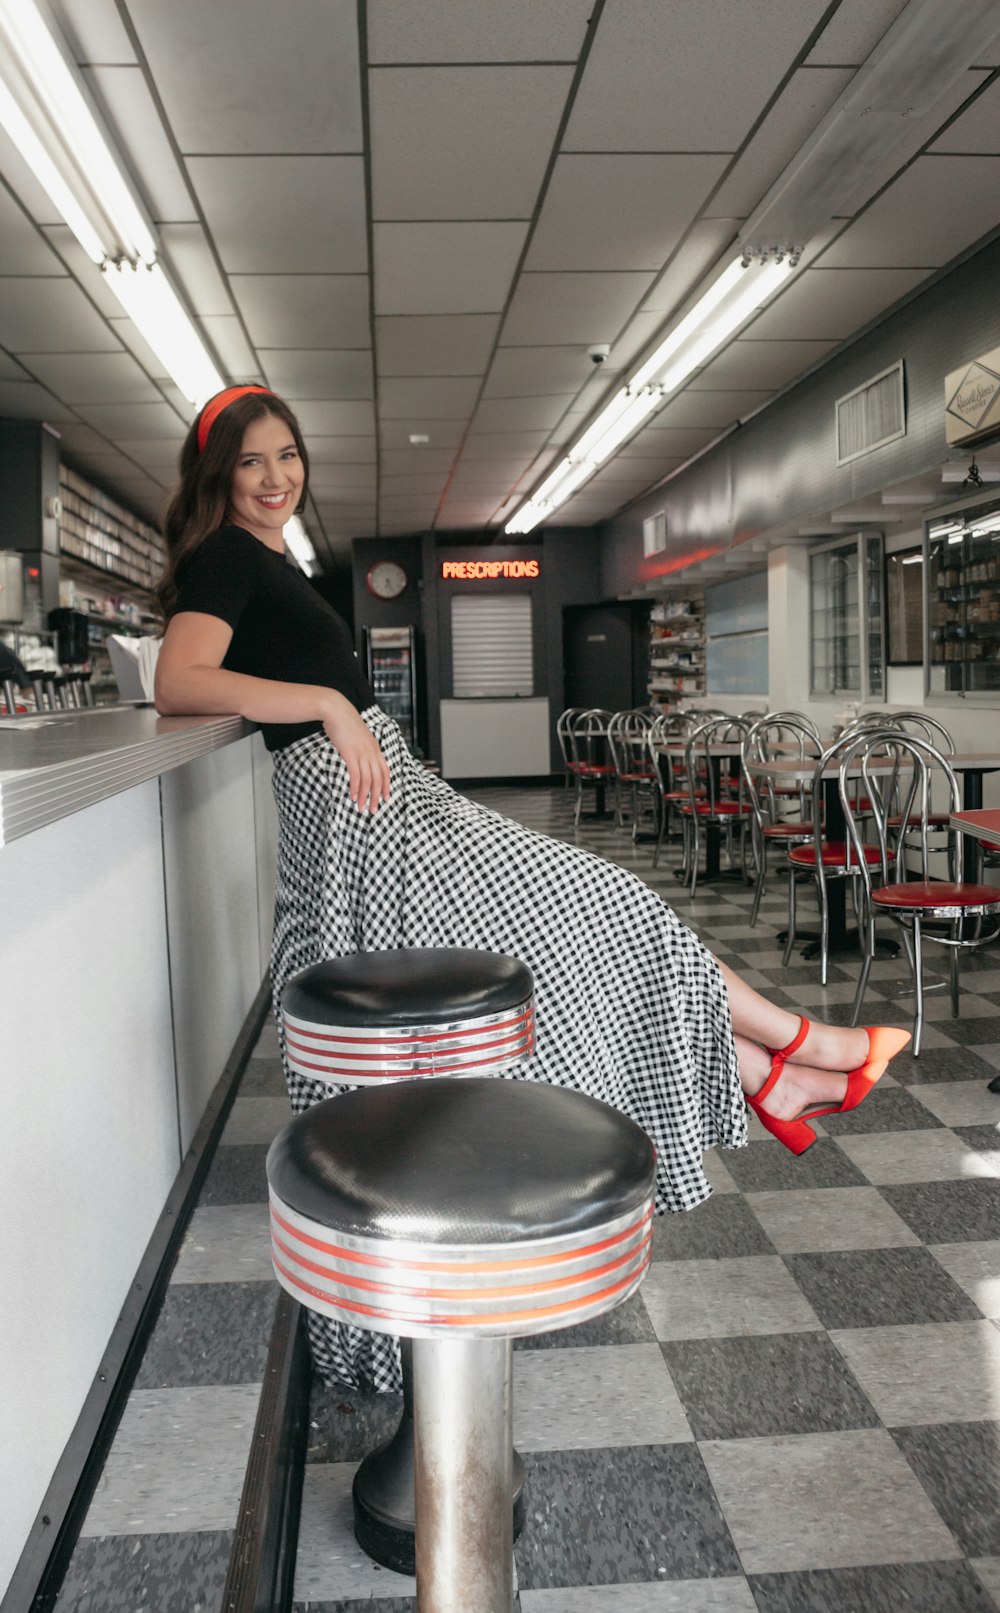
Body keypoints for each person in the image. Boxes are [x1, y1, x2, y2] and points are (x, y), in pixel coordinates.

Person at [155, 386, 910, 1392]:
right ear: (217, 473)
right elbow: (180, 679)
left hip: (391, 811)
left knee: (587, 940)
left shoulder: (264, 560)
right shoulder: (221, 558)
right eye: (251, 461)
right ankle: (797, 1056)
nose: (275, 477)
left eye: (287, 455)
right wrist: (330, 702)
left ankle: (782, 1069)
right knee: (607, 912)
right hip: (369, 829)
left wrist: (334, 711)